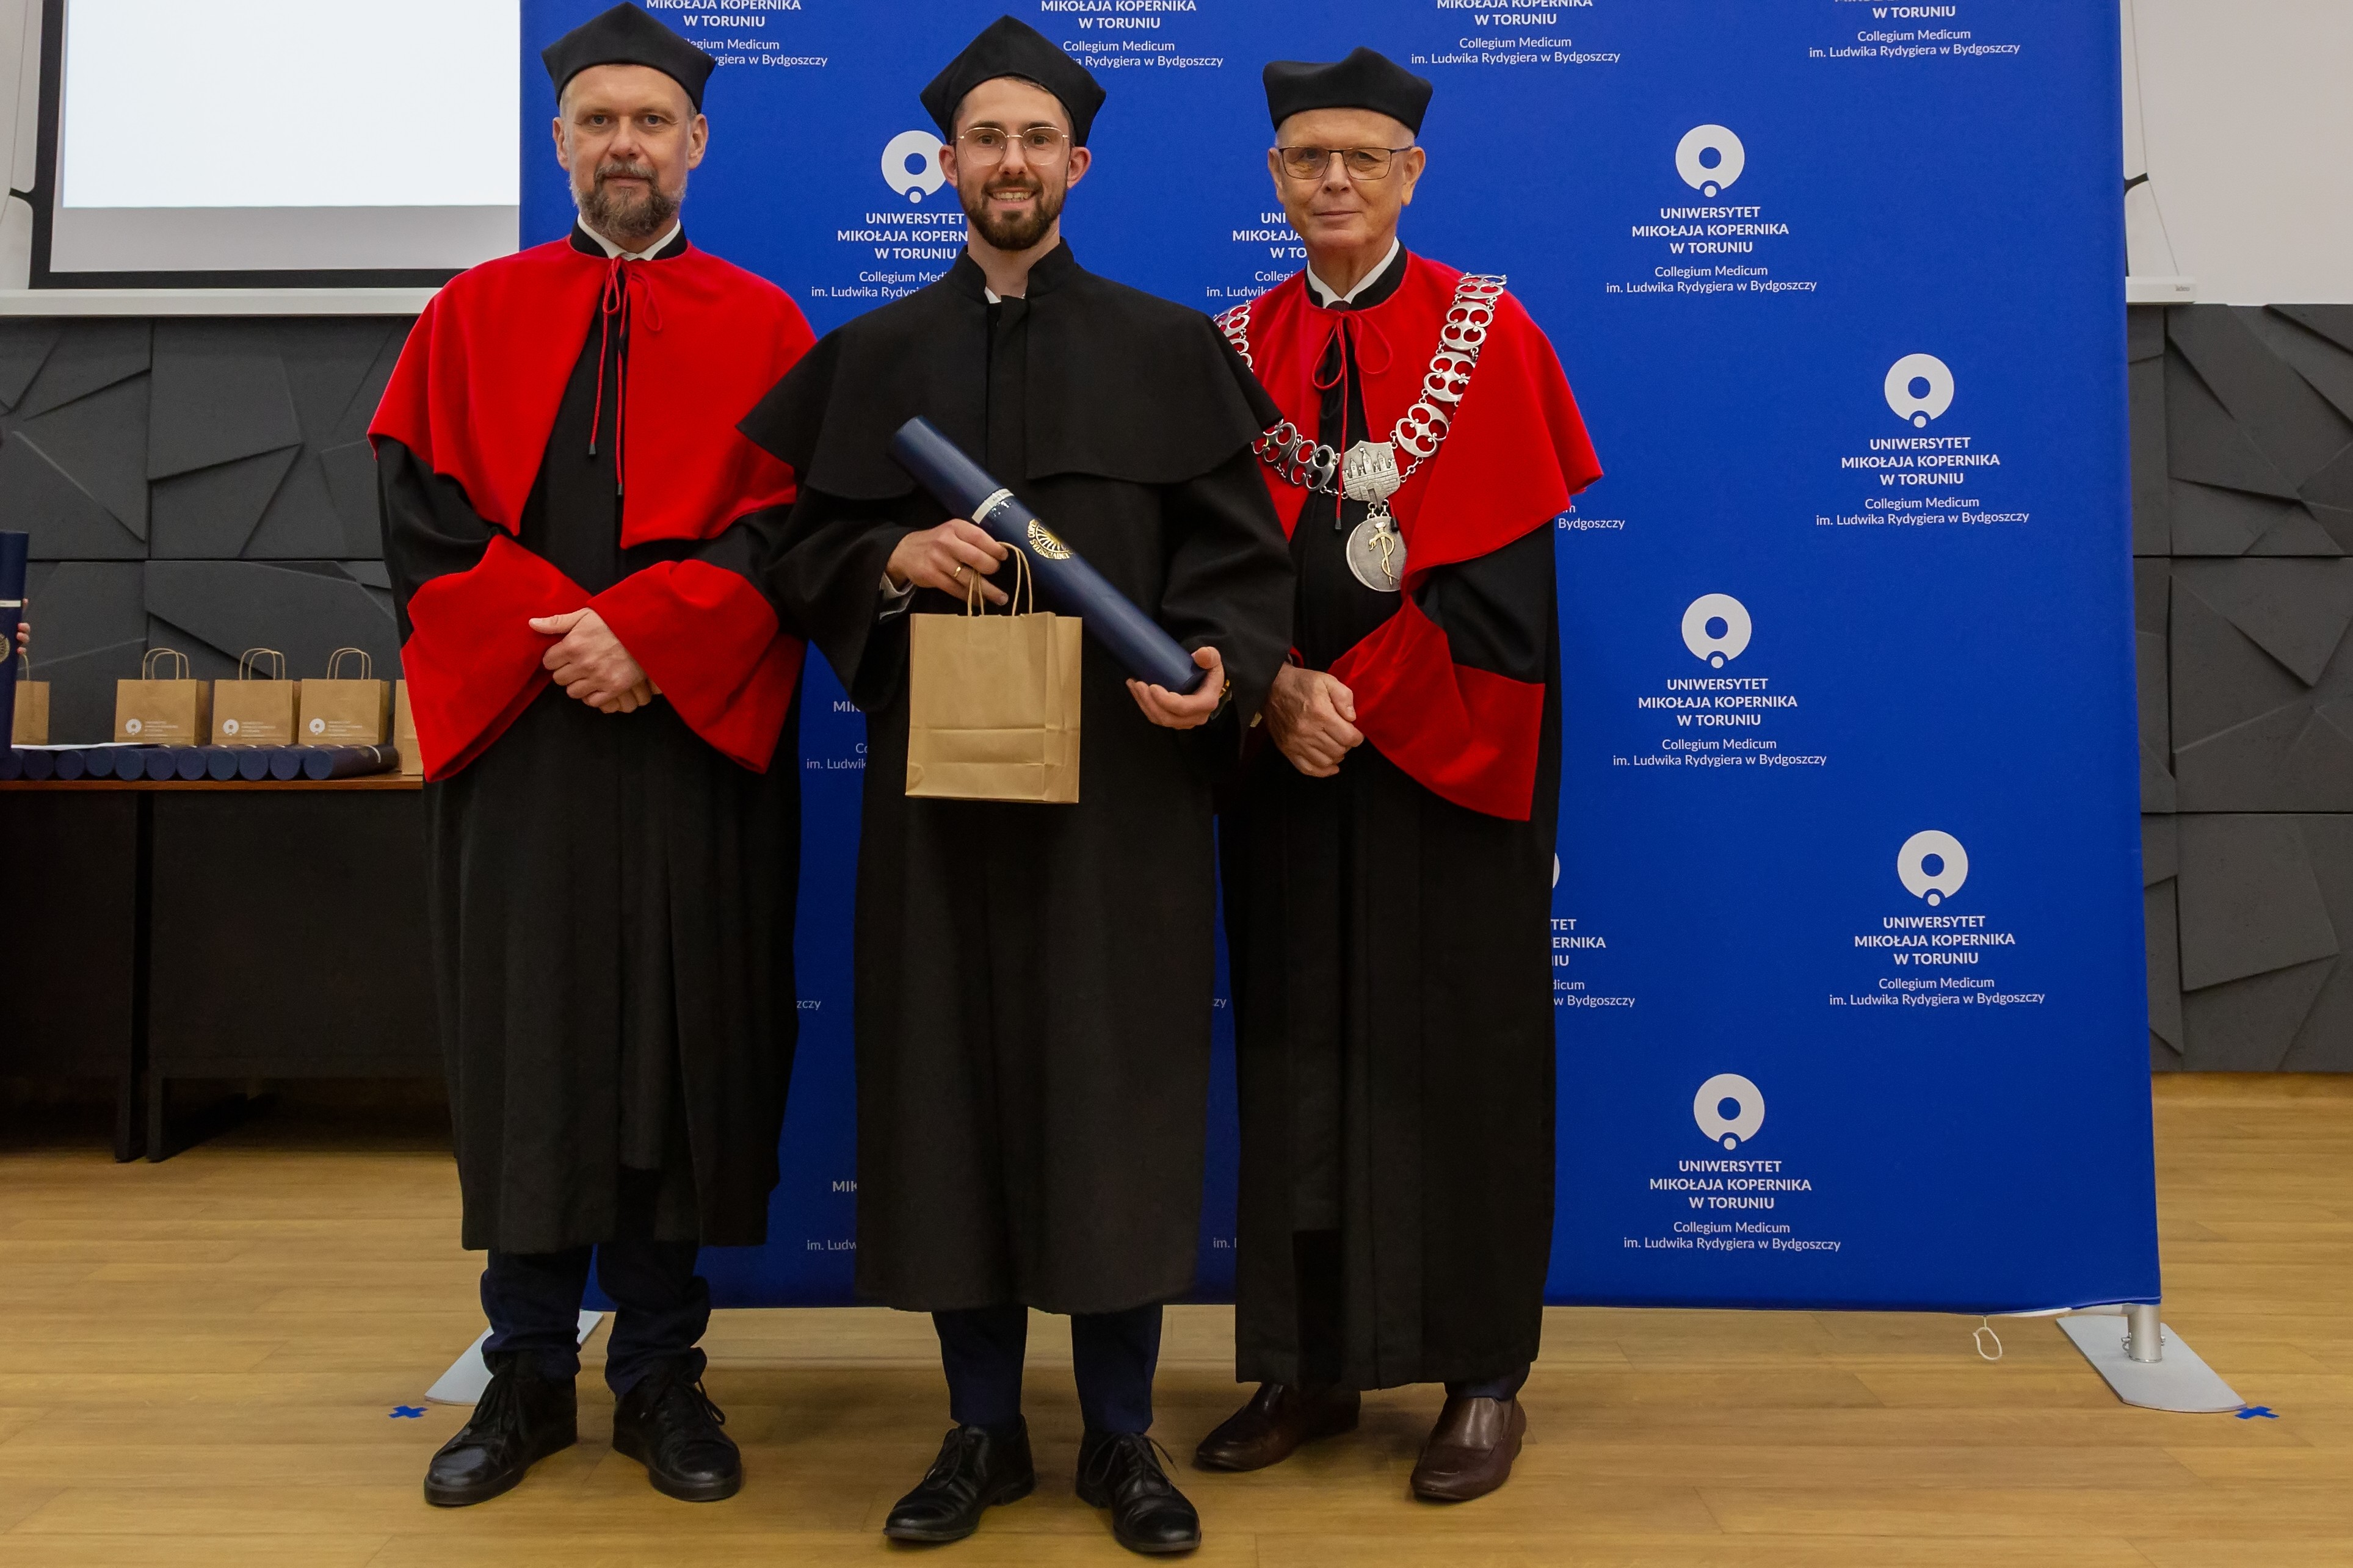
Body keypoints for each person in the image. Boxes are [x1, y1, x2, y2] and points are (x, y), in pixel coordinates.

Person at [741, 15, 1293, 1555]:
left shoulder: (1170, 351)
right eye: (984, 138)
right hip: (940, 794)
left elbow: (1239, 566)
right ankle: (978, 1429)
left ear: (1077, 166)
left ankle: (1121, 1436)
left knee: (1114, 1094)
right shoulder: (874, 358)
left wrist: (1219, 665)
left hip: (1121, 796)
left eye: (1035, 139)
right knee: (947, 1089)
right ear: (945, 164)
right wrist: (886, 556)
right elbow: (793, 551)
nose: (1010, 161)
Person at [369, 3, 816, 1509]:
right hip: (525, 747)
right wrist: (567, 643)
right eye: (600, 121)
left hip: (690, 744)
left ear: (697, 142)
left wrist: (653, 639)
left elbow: (788, 535)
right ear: (558, 141)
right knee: (533, 1039)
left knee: (679, 1047)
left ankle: (663, 1376)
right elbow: (422, 527)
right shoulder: (468, 316)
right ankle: (524, 1373)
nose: (627, 143)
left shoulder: (764, 326)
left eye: (652, 121)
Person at [1197, 48, 1602, 1503]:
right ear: (1274, 177)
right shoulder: (1231, 346)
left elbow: (1507, 602)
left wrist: (1352, 698)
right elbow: (1203, 563)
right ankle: (1306, 1362)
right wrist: (1272, 688)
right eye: (1308, 158)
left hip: (1451, 765)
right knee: (1294, 1050)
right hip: (1285, 765)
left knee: (1466, 1055)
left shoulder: (1488, 333)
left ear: (1410, 174)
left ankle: (1482, 1372)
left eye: (1362, 157)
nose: (1335, 181)